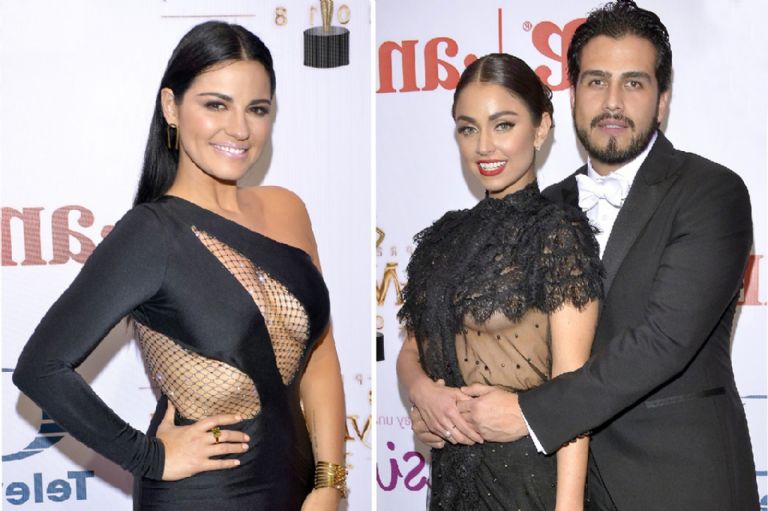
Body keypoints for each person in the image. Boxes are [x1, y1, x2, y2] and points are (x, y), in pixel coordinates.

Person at [412, 1, 760, 509]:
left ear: (663, 100)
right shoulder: (542, 210)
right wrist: (431, 399)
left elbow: (663, 342)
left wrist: (530, 412)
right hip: (554, 483)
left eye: (634, 83)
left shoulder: (710, 192)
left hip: (678, 484)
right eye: (597, 81)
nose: (612, 102)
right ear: (574, 96)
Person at [13, 21, 346, 511]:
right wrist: (148, 457)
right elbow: (40, 369)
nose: (240, 129)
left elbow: (319, 357)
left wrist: (329, 483)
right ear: (171, 107)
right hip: (201, 497)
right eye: (216, 105)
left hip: (298, 489)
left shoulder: (287, 209)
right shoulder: (151, 234)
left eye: (257, 109)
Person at [396, 53, 604, 510]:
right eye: (468, 129)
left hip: (528, 486)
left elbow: (573, 391)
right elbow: (411, 349)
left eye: (503, 125)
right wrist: (422, 392)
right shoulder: (443, 237)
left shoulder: (557, 233)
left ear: (541, 128)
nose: (484, 146)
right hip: (452, 485)